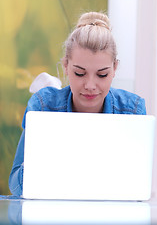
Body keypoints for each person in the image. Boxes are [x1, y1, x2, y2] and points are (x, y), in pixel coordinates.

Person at [8, 12, 146, 196]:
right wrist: (42, 155)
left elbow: (139, 187)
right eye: (79, 74)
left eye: (102, 75)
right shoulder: (44, 106)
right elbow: (16, 186)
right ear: (65, 66)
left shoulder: (132, 110)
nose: (90, 86)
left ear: (114, 69)